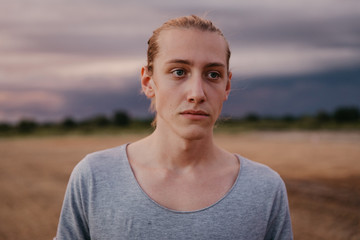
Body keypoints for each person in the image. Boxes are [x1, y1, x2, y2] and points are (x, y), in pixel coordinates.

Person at [55, 15, 293, 239]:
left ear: (227, 87)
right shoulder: (95, 177)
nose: (197, 94)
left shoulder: (265, 188)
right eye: (179, 72)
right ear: (148, 82)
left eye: (212, 75)